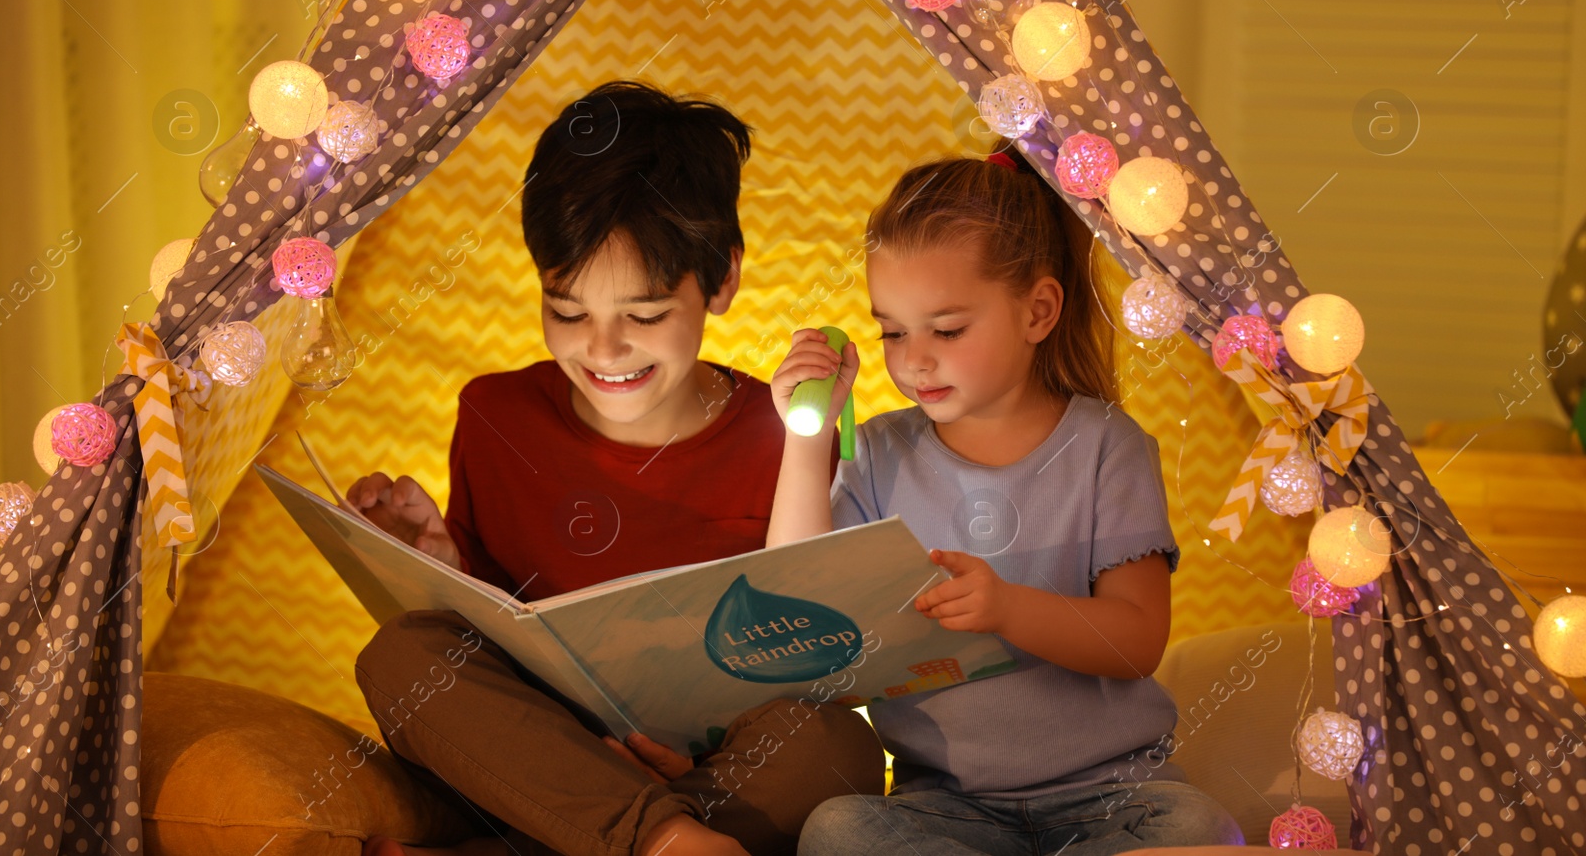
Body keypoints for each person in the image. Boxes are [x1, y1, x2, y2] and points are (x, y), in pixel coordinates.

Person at [347, 81, 884, 856]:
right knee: (401, 655)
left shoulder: (787, 432)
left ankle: (634, 837)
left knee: (837, 747)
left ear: (723, 281)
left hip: (700, 770)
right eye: (568, 311)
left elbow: (803, 667)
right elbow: (496, 644)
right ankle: (668, 840)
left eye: (643, 315)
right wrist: (438, 564)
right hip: (547, 759)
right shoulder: (497, 415)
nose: (601, 351)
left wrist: (685, 766)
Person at [767, 146, 1244, 855]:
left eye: (947, 329)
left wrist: (1010, 608)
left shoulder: (1107, 446)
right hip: (947, 808)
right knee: (838, 831)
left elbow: (1138, 639)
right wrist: (805, 437)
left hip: (1115, 796)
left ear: (1038, 311)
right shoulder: (876, 454)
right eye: (892, 331)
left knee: (1200, 831)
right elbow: (799, 612)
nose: (914, 358)